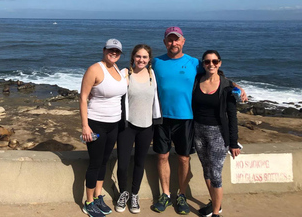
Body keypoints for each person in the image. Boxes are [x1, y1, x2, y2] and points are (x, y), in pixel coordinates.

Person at [151, 27, 246, 215]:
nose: (173, 43)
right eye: (170, 40)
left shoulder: (195, 63)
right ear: (164, 42)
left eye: (176, 40)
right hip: (161, 117)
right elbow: (139, 73)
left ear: (183, 41)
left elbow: (217, 73)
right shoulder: (156, 62)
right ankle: (165, 194)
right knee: (162, 156)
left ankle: (182, 195)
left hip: (186, 118)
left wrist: (236, 86)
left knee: (183, 158)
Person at [80, 39, 127, 217]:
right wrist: (85, 126)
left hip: (114, 123)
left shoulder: (118, 70)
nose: (113, 53)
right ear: (104, 50)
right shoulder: (94, 69)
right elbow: (83, 98)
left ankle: (98, 196)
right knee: (95, 163)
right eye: (110, 50)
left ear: (120, 53)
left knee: (104, 161)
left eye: (117, 51)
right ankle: (89, 202)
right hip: (96, 123)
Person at [193, 50, 241, 217]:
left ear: (219, 63)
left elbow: (232, 116)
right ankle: (215, 204)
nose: (211, 64)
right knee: (206, 170)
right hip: (198, 131)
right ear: (203, 64)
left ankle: (215, 213)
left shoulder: (227, 86)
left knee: (215, 174)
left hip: (218, 134)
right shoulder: (197, 80)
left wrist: (234, 142)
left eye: (214, 61)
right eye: (207, 62)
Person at [115, 44, 162, 214]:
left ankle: (134, 194)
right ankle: (123, 193)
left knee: (139, 163)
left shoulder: (152, 74)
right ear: (133, 57)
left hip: (146, 126)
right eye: (138, 56)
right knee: (123, 164)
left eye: (144, 57)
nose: (141, 60)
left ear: (149, 59)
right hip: (127, 126)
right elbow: (110, 87)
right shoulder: (124, 73)